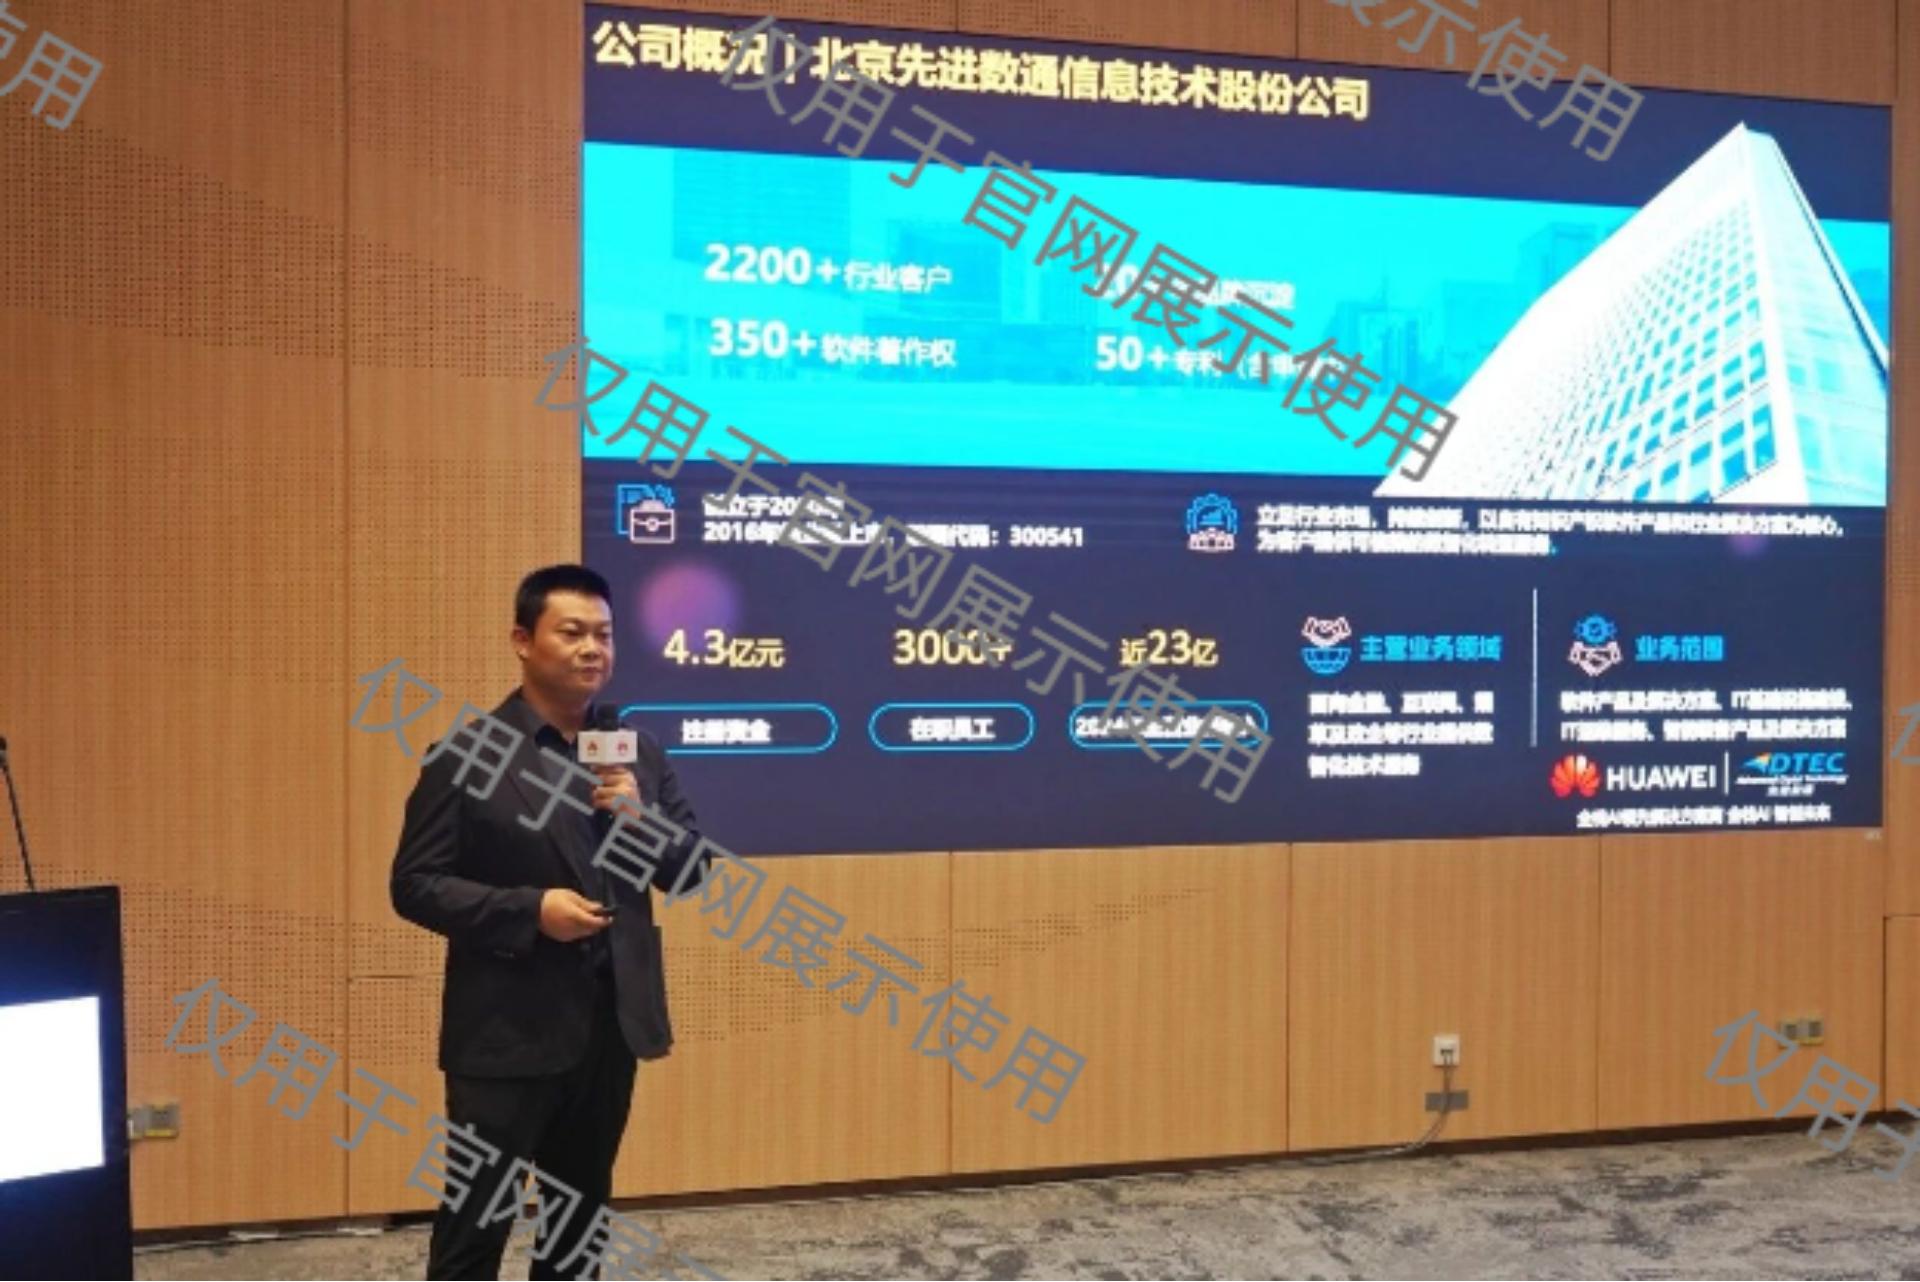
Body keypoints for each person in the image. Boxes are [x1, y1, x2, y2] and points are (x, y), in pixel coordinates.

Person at [391, 564, 708, 1279]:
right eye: (572, 632)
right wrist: (531, 910)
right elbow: (414, 885)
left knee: (578, 1225)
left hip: (609, 1029)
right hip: (504, 1034)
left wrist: (643, 820)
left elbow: (692, 868)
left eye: (604, 634)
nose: (593, 648)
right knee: (475, 1226)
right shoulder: (466, 756)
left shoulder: (637, 754)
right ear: (522, 641)